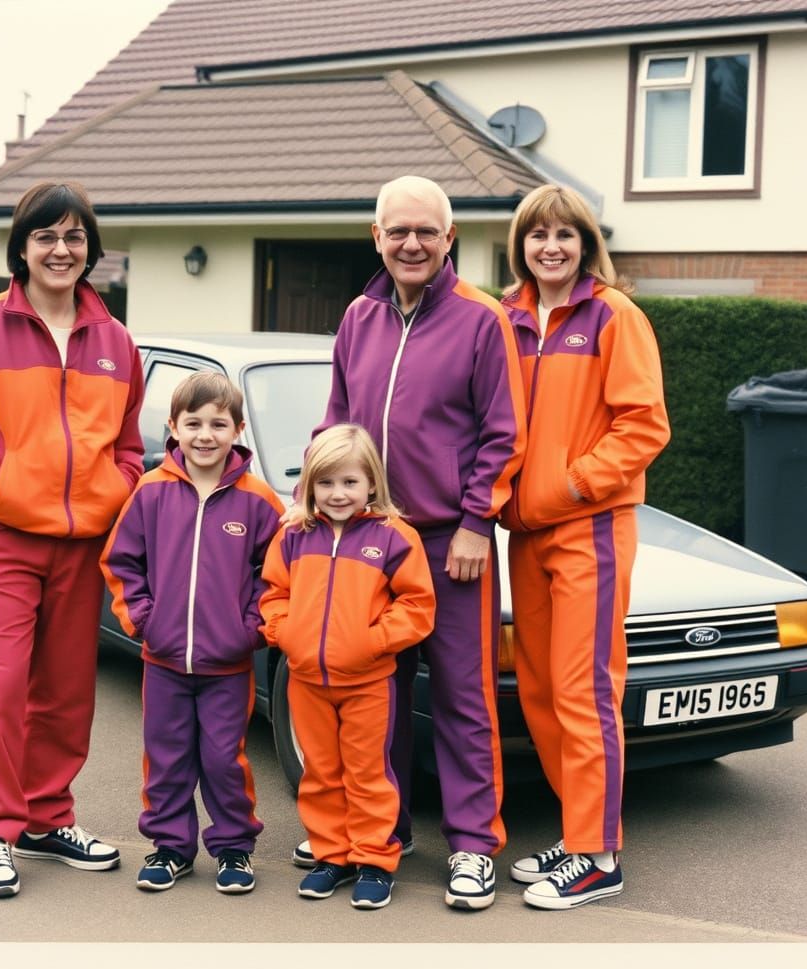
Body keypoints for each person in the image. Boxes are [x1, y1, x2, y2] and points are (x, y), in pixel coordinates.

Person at [0, 181, 145, 898]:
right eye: (46, 236)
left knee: (67, 694)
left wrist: (115, 491)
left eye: (74, 237)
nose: (61, 250)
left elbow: (129, 445)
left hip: (81, 547)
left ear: (91, 250)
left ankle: (46, 818)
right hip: (2, 542)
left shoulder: (115, 340)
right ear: (21, 246)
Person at [293, 176, 526, 911]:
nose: (412, 243)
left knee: (464, 697)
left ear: (449, 239)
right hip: (365, 544)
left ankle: (473, 847)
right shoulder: (358, 318)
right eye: (398, 231)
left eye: (426, 231)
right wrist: (314, 506)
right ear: (377, 237)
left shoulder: (481, 321)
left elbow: (502, 434)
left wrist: (473, 522)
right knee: (374, 703)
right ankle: (375, 838)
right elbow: (334, 426)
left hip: (448, 545)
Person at [499, 183, 670, 909]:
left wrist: (568, 488)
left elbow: (644, 426)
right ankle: (577, 836)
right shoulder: (504, 317)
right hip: (525, 536)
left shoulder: (614, 316)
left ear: (586, 243)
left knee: (584, 691)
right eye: (539, 235)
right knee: (538, 692)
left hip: (589, 529)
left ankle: (599, 855)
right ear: (521, 245)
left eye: (567, 234)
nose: (552, 247)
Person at [100, 371, 284, 895]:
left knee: (224, 759)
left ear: (238, 430)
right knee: (167, 756)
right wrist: (143, 619)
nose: (206, 434)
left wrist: (251, 630)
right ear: (173, 428)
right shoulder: (151, 492)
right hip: (163, 662)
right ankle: (170, 849)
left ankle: (233, 850)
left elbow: (275, 577)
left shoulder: (258, 501)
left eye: (218, 424)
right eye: (194, 423)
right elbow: (121, 561)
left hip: (227, 665)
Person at [261, 424, 435, 910]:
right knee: (320, 772)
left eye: (349, 482)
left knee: (368, 773)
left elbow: (417, 605)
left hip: (369, 682)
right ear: (311, 486)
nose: (338, 494)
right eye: (327, 483)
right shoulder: (297, 536)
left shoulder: (394, 537)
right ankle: (331, 855)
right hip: (307, 680)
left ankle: (375, 861)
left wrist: (373, 642)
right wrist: (285, 633)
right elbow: (273, 595)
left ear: (371, 484)